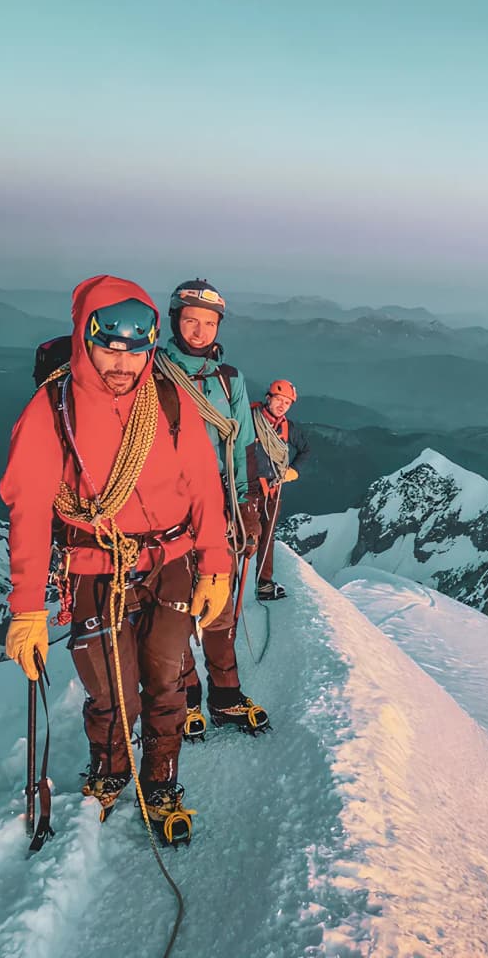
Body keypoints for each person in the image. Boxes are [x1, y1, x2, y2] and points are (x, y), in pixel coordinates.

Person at [0, 275, 230, 841]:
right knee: (109, 688)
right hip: (96, 567)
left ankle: (161, 778)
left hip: (171, 559)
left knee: (165, 681)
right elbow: (29, 506)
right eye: (109, 347)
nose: (123, 363)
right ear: (85, 339)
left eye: (137, 349)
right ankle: (111, 768)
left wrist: (216, 561)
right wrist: (26, 608)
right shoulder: (53, 410)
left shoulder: (169, 397)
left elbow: (203, 481)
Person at [156, 279, 268, 739]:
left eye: (208, 323)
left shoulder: (230, 380)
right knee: (178, 603)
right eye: (190, 321)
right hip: (169, 509)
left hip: (220, 505)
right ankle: (187, 696)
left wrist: (245, 504)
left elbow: (241, 443)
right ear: (175, 321)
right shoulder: (155, 374)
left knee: (221, 603)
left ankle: (225, 693)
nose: (199, 331)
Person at [247, 378, 310, 601]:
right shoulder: (250, 419)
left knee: (267, 538)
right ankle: (225, 581)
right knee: (245, 535)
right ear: (268, 398)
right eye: (279, 400)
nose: (282, 405)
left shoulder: (286, 428)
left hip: (272, 490)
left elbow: (306, 449)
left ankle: (264, 584)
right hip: (247, 488)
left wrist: (293, 471)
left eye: (287, 402)